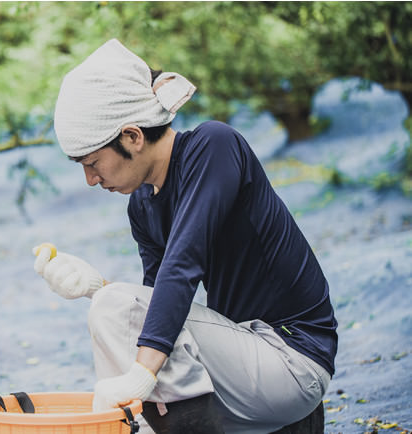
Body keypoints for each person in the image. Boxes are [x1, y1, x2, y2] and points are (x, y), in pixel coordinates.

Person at [33, 39, 338, 434]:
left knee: (118, 311)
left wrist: (141, 375)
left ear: (132, 136)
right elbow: (158, 309)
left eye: (92, 163)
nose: (91, 180)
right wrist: (97, 287)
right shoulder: (142, 205)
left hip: (293, 359)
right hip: (244, 371)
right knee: (113, 308)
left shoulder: (214, 147)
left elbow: (182, 266)